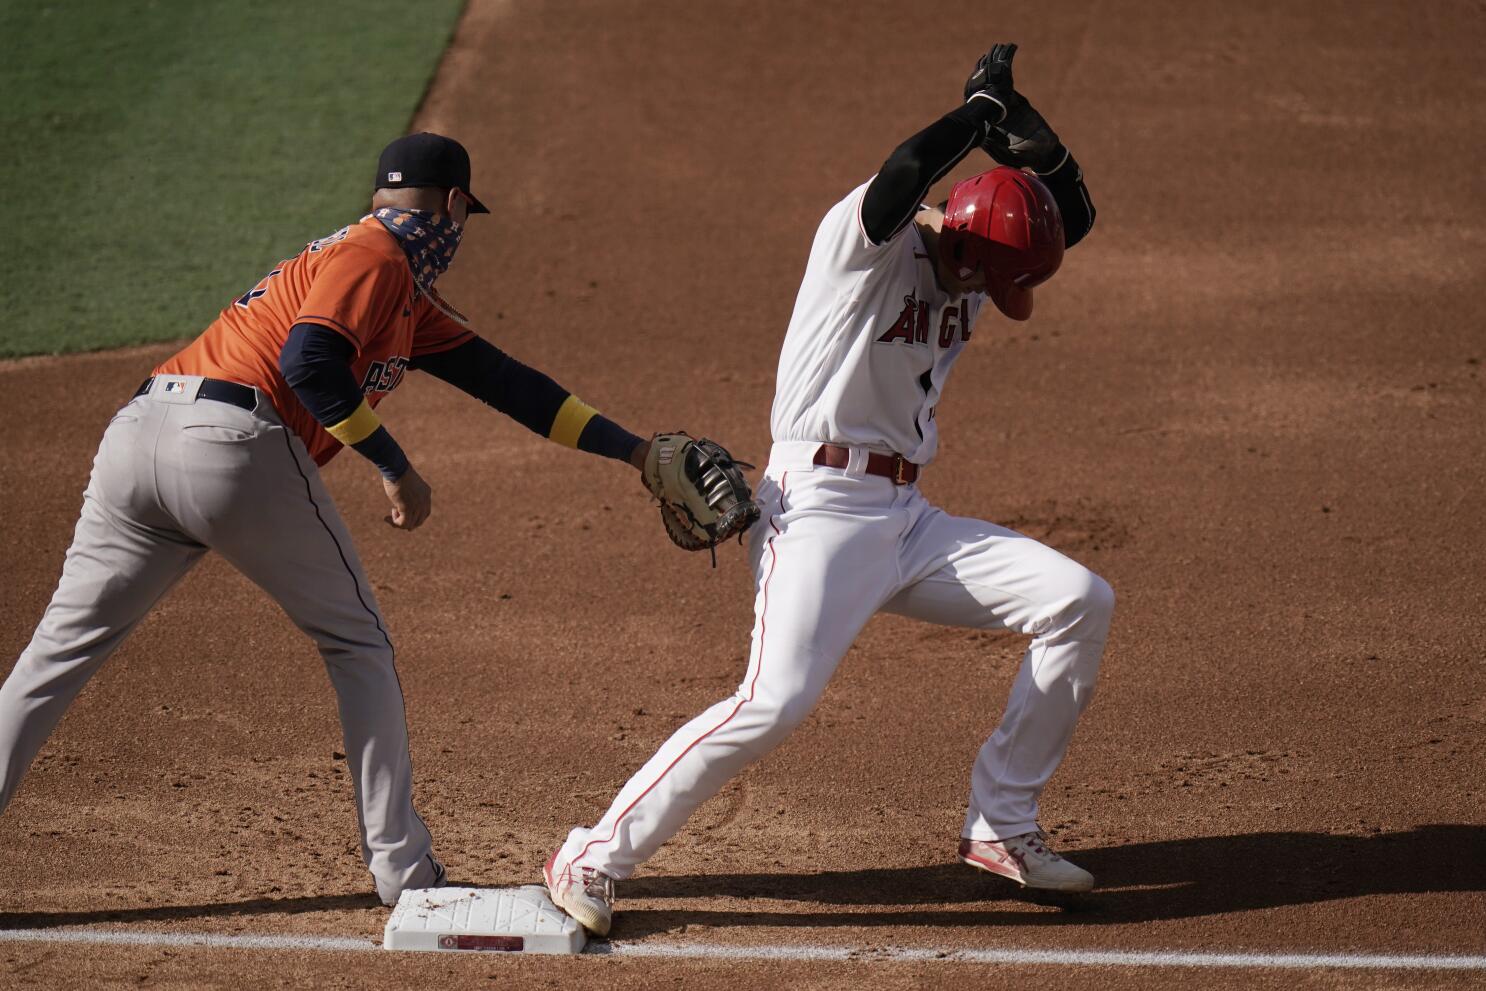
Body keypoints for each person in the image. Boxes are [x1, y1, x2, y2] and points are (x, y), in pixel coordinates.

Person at [0, 132, 660, 906]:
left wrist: (637, 452)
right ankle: (404, 872)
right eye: (464, 215)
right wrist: (395, 466)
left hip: (139, 437)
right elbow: (308, 362)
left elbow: (509, 384)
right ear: (452, 204)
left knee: (55, 655)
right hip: (229, 443)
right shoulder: (374, 257)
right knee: (358, 641)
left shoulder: (398, 290)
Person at [543, 44, 1109, 936]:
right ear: (957, 229)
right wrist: (971, 121)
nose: (988, 294)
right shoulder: (862, 251)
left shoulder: (985, 249)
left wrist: (1018, 120)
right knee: (772, 701)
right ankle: (592, 852)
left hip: (908, 522)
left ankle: (1003, 824)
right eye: (986, 273)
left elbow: (1063, 217)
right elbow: (901, 175)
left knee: (1079, 597)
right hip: (817, 509)